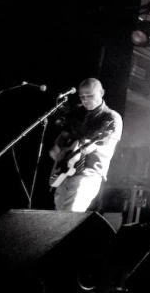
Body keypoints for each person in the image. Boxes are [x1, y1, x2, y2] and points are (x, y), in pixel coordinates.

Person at [49, 78, 123, 212]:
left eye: (90, 96)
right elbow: (64, 136)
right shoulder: (76, 113)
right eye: (82, 97)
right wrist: (57, 147)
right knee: (57, 218)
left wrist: (93, 147)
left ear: (101, 92)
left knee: (69, 217)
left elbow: (109, 148)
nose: (85, 100)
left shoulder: (111, 117)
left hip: (88, 174)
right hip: (65, 172)